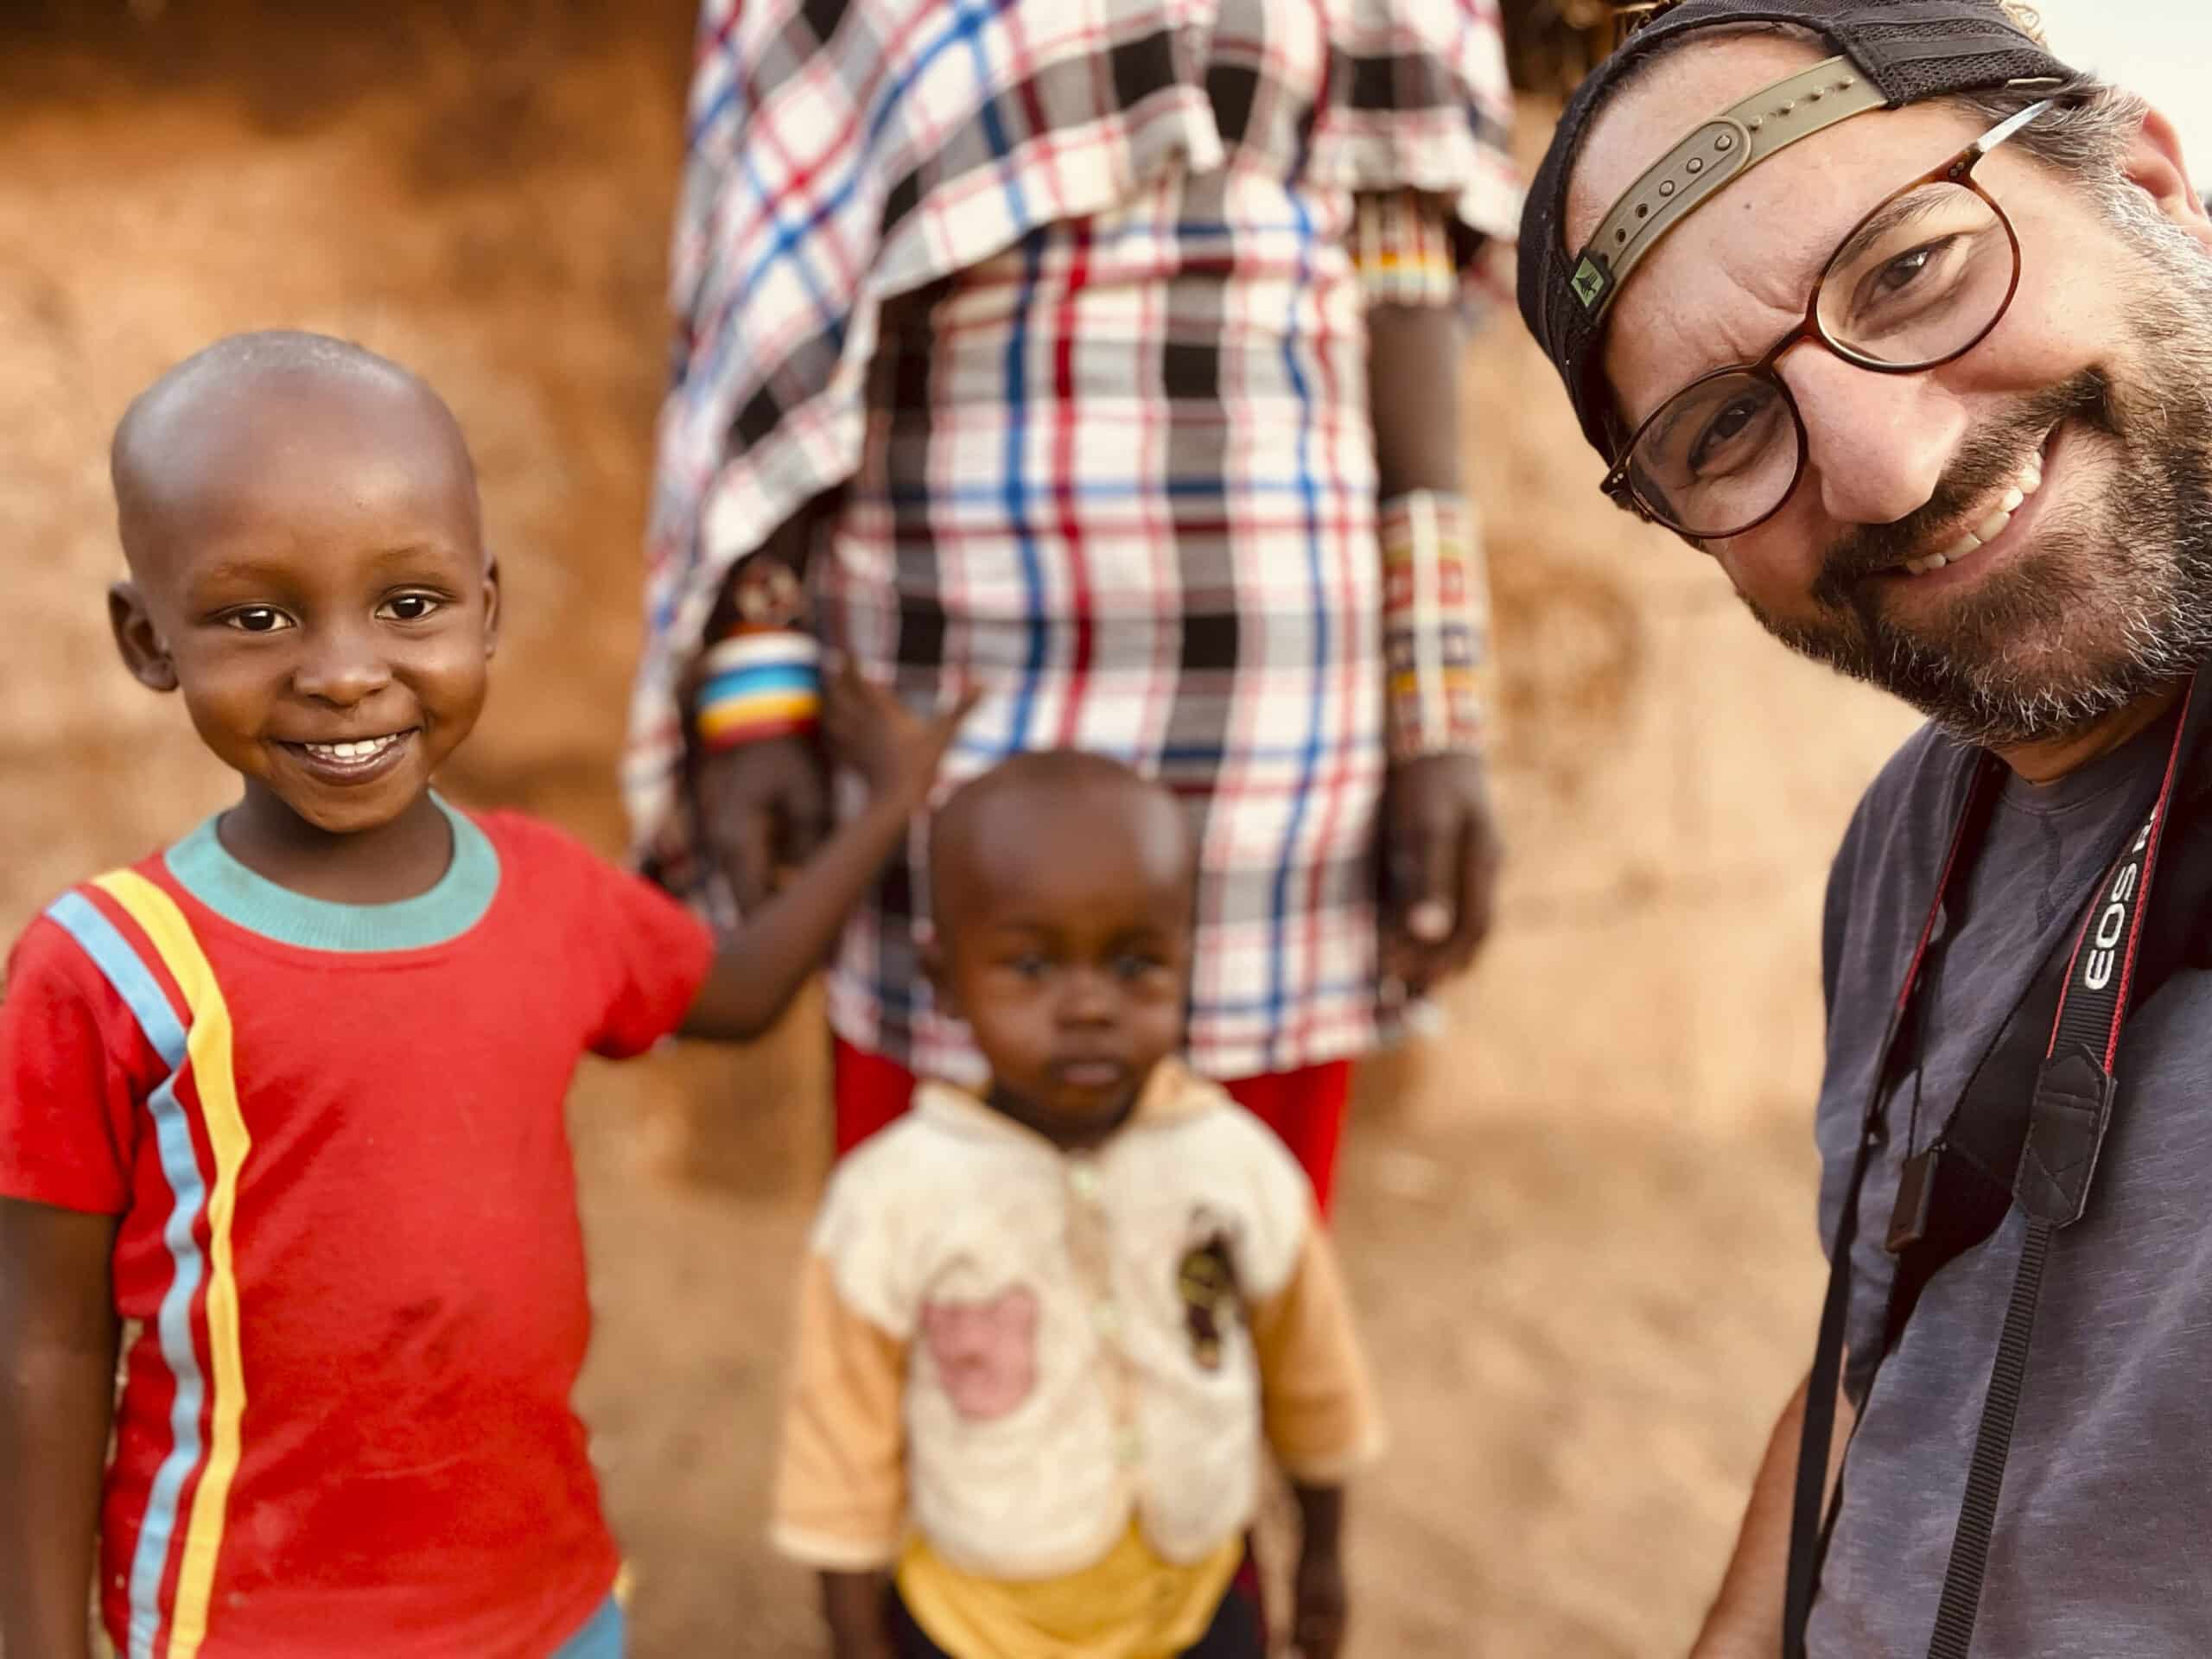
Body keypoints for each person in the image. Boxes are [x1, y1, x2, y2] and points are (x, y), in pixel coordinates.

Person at [0, 331, 971, 1659]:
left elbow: (734, 992)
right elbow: (44, 1350)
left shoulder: (550, 894)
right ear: (145, 637)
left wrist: (892, 806)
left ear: (489, 607)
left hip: (548, 1608)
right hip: (246, 1629)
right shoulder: (103, 968)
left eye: (409, 605)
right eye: (256, 616)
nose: (343, 671)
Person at [1515, 1, 2212, 1652]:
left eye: (1909, 269)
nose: (1886, 470)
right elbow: (1878, 1349)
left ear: (2147, 177)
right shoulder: (1913, 837)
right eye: (1724, 431)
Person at [624, 0, 1522, 1211]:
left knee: (1232, 1265)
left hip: (1279, 707)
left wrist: (1440, 713)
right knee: (943, 1256)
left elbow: (1398, 274)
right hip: (949, 683)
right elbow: (776, 294)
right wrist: (756, 669)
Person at [768, 752, 1382, 1659]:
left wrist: (1323, 1560)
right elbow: (839, 1453)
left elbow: (1313, 1379)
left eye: (1136, 963)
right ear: (944, 977)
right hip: (974, 1629)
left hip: (1195, 1606)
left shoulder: (1236, 1167)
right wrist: (856, 1640)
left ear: (1189, 960)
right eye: (1030, 964)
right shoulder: (891, 1200)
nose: (1089, 1005)